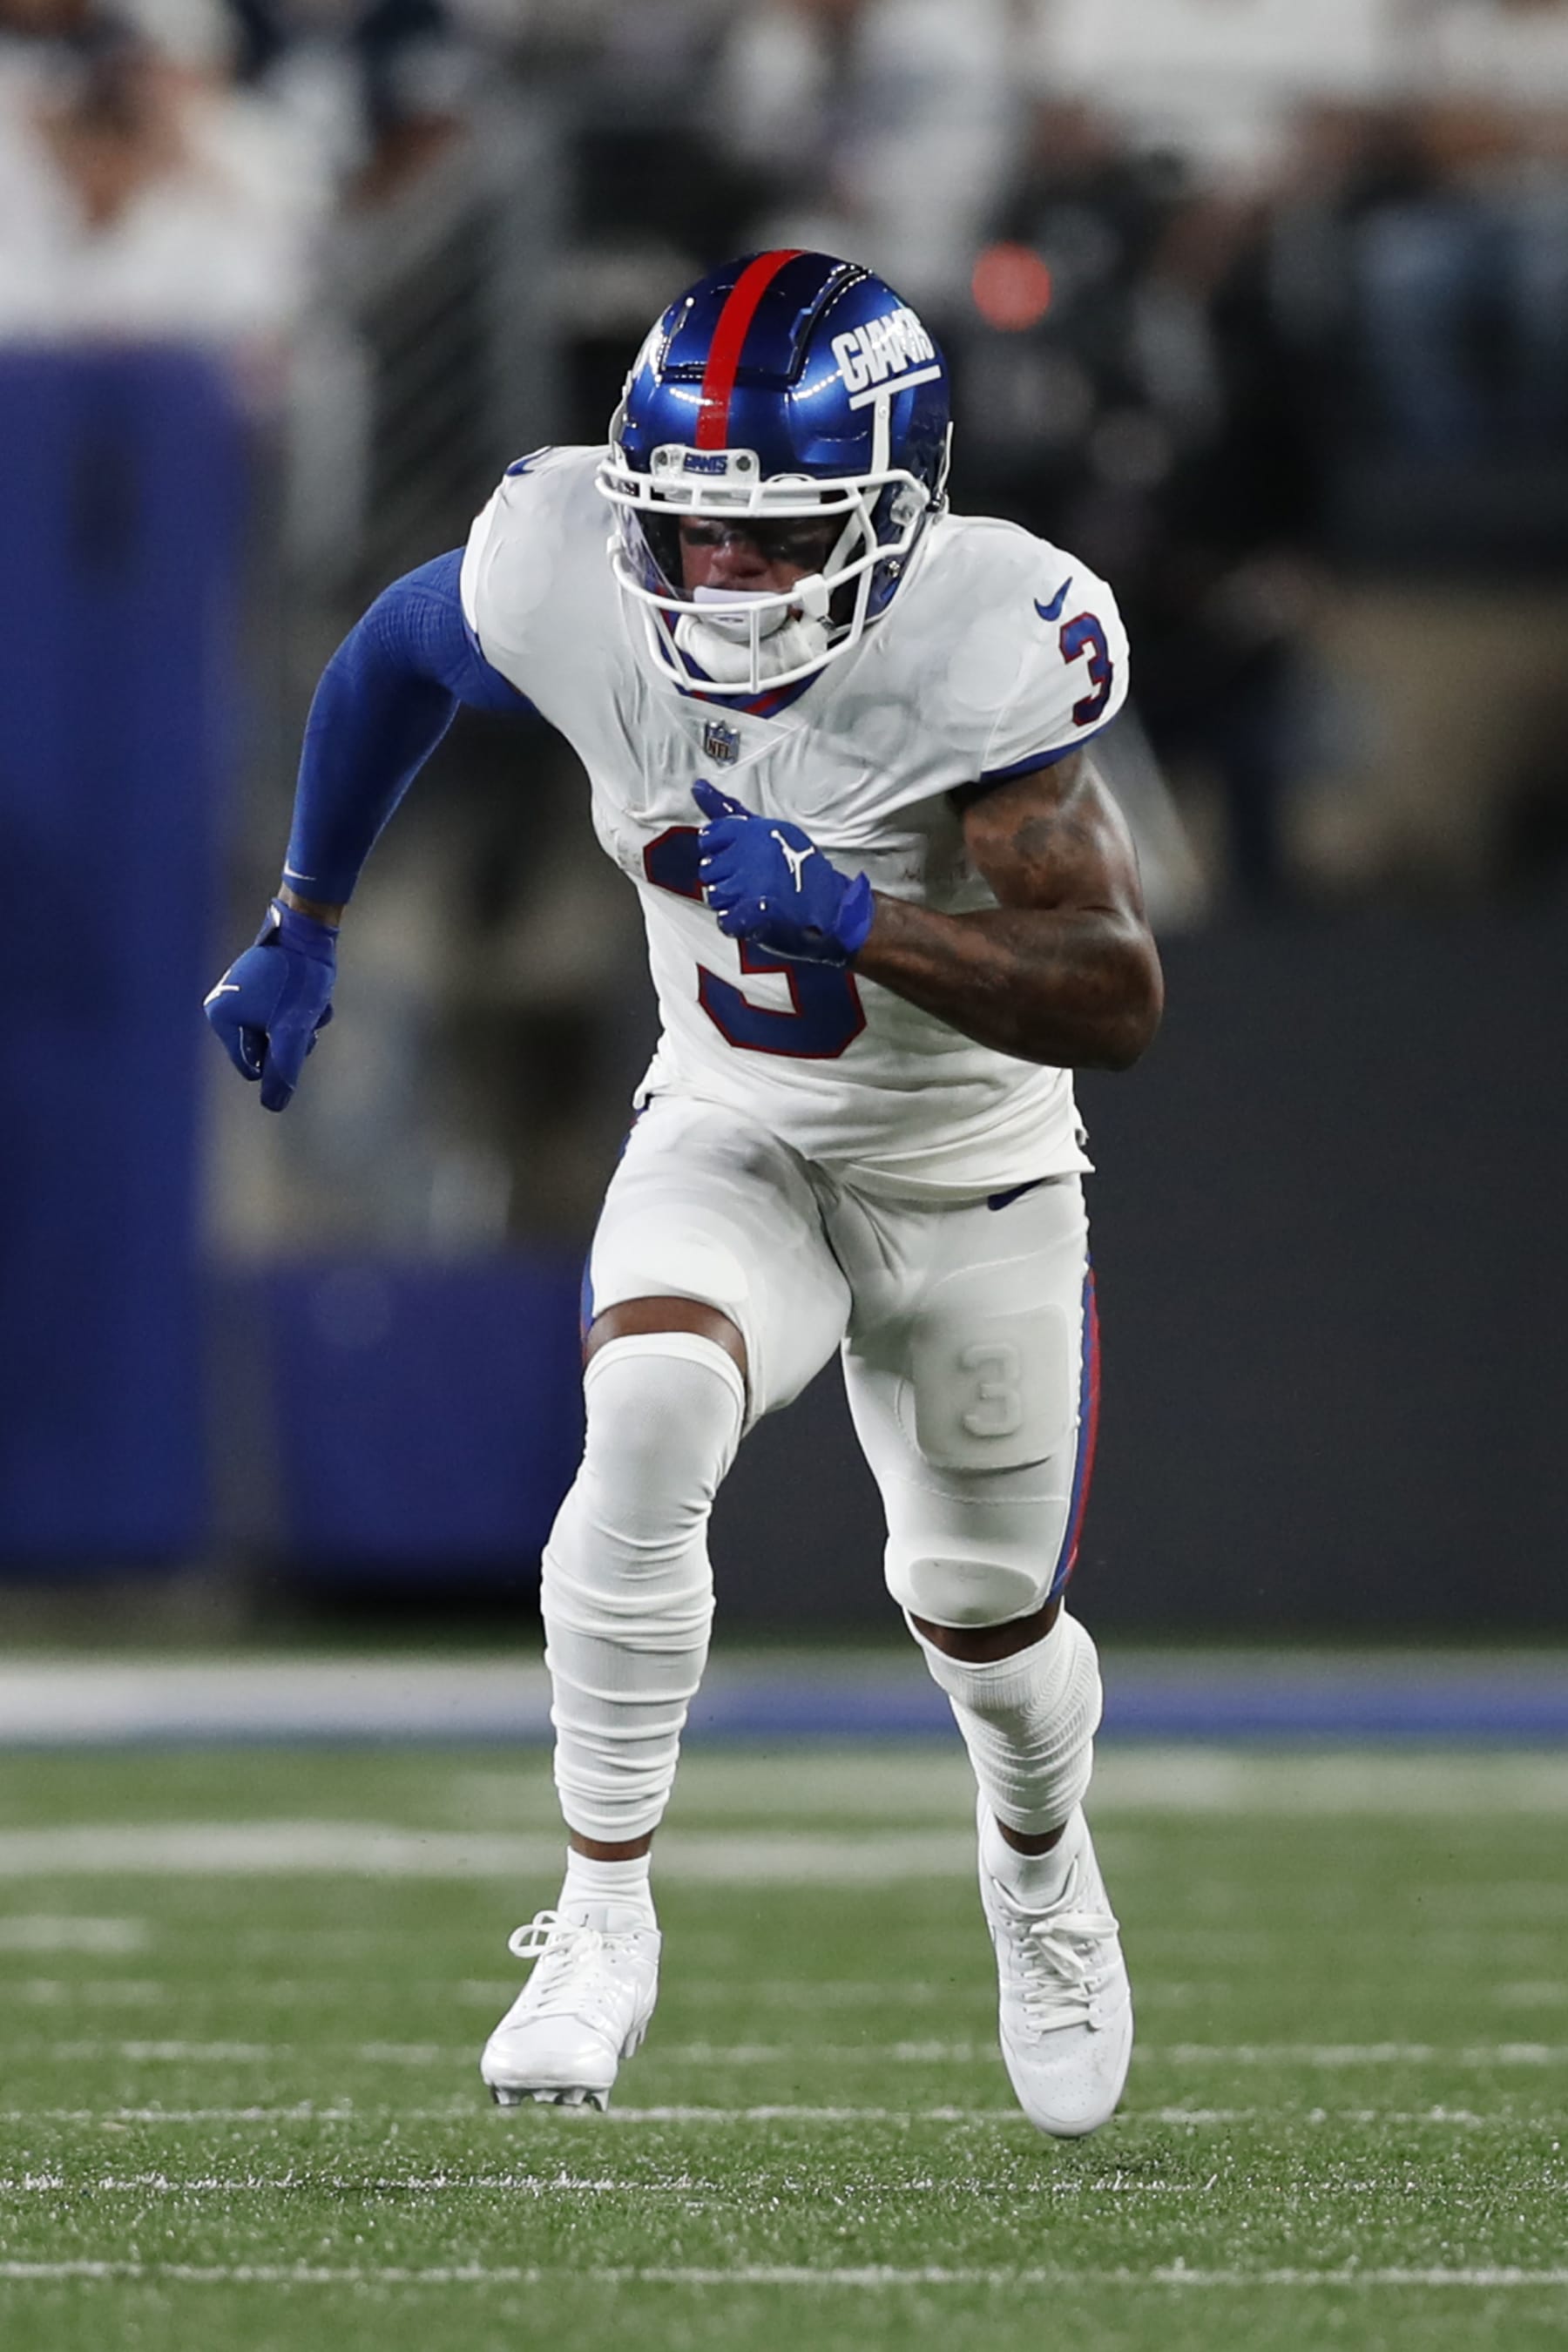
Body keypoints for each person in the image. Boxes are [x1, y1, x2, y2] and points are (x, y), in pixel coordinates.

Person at [205, 248, 1164, 2139]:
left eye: (772, 538)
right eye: (686, 533)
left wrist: (866, 918)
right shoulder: (572, 564)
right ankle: (600, 1911)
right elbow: (398, 646)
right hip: (732, 1126)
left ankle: (1043, 1871)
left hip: (973, 1186)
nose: (716, 579)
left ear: (893, 518)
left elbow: (1119, 996)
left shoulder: (987, 641)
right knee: (643, 1409)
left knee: (985, 1625)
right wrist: (305, 922)